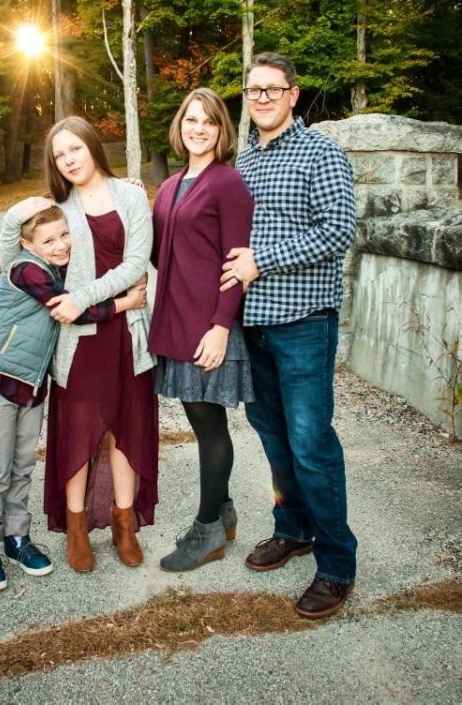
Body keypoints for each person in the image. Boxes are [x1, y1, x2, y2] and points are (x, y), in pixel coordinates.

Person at [220, 52, 358, 618]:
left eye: (272, 90)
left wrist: (264, 261)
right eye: (253, 91)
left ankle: (336, 564)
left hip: (303, 324)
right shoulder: (244, 158)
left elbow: (338, 231)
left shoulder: (320, 152)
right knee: (275, 440)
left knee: (311, 444)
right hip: (252, 328)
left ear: (294, 95)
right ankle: (292, 528)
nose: (262, 99)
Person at [0, 117, 158, 573]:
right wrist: (19, 212)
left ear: (92, 146)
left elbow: (135, 263)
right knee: (77, 431)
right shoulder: (57, 209)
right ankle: (76, 526)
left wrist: (84, 296)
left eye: (75, 149)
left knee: (127, 427)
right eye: (59, 154)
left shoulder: (130, 195)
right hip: (78, 338)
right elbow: (12, 259)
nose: (69, 159)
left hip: (127, 329)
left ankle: (125, 524)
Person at [0, 197, 147, 592]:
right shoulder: (27, 269)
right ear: (29, 244)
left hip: (33, 381)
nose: (61, 245)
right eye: (49, 239)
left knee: (22, 465)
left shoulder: (56, 267)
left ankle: (17, 539)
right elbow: (74, 311)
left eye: (65, 235)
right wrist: (127, 302)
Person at [148, 88, 255, 571]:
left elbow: (237, 263)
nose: (198, 128)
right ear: (180, 125)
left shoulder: (227, 183)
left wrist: (220, 327)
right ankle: (225, 512)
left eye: (209, 122)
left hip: (208, 327)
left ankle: (208, 529)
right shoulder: (170, 186)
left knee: (209, 428)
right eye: (191, 119)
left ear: (221, 130)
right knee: (201, 423)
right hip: (177, 324)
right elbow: (157, 254)